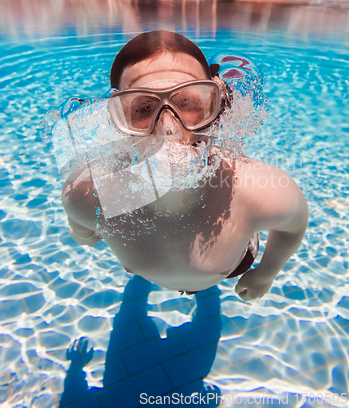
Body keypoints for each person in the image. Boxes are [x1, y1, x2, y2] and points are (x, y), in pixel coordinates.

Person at [61, 31, 308, 300]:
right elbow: (81, 225)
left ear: (216, 108)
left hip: (236, 264)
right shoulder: (88, 196)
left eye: (189, 102)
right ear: (115, 120)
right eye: (142, 108)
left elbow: (295, 225)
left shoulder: (258, 192)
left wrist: (266, 273)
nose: (169, 129)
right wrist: (85, 228)